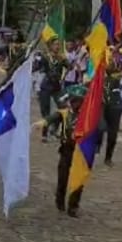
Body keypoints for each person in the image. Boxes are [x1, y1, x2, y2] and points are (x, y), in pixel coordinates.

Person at [54, 83, 87, 217]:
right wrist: (45, 123)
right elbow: (53, 117)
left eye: (79, 101)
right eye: (74, 100)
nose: (76, 104)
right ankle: (60, 199)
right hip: (66, 149)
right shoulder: (65, 113)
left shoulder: (87, 116)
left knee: (79, 178)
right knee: (63, 176)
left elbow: (100, 127)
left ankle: (73, 206)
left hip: (81, 150)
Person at [97, 49, 122, 166]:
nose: (110, 64)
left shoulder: (120, 78)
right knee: (100, 127)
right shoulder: (99, 77)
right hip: (102, 107)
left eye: (112, 62)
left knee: (112, 135)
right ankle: (97, 145)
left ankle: (108, 157)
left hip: (115, 108)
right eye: (109, 62)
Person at [38, 38, 68, 141]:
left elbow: (70, 67)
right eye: (55, 44)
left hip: (57, 86)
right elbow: (37, 67)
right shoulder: (46, 57)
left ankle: (55, 129)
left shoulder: (61, 58)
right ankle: (44, 134)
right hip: (46, 86)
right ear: (50, 46)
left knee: (63, 108)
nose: (57, 47)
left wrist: (63, 77)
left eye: (58, 44)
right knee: (45, 111)